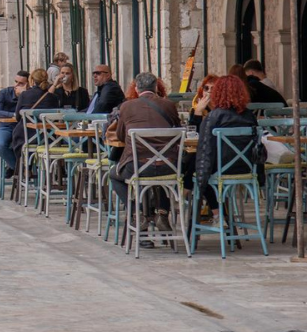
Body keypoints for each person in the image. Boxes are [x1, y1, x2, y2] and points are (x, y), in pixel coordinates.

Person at [193, 75, 260, 227]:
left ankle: (217, 215)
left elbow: (205, 150)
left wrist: (201, 179)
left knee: (201, 170)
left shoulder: (213, 117)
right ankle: (220, 215)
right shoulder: (250, 116)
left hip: (220, 169)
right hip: (246, 168)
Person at [109, 72, 181, 207]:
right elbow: (177, 130)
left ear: (136, 88)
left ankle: (138, 212)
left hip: (137, 166)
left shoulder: (126, 106)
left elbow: (120, 136)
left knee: (113, 175)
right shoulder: (169, 105)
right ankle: (163, 213)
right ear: (156, 88)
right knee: (173, 166)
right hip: (169, 166)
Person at [10, 69, 60, 164]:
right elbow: (56, 119)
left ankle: (25, 167)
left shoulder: (24, 95)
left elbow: (17, 117)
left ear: (32, 80)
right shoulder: (53, 97)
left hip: (26, 137)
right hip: (48, 138)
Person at [0, 71, 30, 177]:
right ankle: (18, 168)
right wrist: (14, 115)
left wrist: (24, 95)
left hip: (25, 129)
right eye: (16, 81)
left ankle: (16, 168)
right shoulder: (5, 93)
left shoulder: (30, 94)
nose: (16, 85)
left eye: (21, 83)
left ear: (28, 84)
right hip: (6, 127)